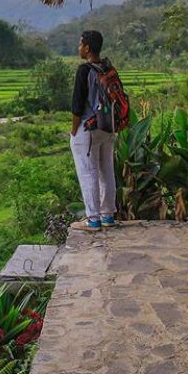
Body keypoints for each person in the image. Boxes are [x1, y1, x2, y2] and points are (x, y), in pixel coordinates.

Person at [69, 30, 117, 231]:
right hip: (108, 127)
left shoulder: (84, 70)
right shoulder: (107, 67)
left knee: (88, 172)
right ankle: (108, 215)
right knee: (107, 170)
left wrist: (73, 131)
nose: (79, 48)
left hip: (88, 129)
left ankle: (93, 219)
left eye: (81, 44)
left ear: (87, 48)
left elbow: (77, 106)